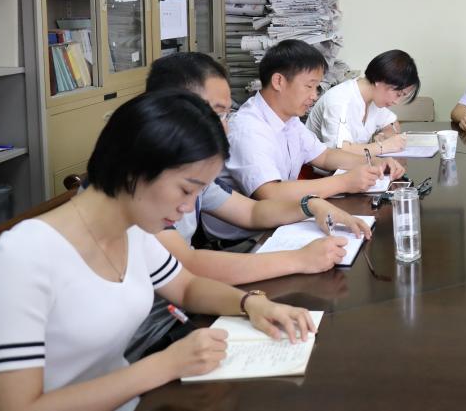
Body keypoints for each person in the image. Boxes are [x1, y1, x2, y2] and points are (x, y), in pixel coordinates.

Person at [0, 91, 315, 411]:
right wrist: (165, 365)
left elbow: (186, 287)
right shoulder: (24, 255)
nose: (188, 207)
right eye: (186, 189)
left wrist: (251, 304)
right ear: (135, 168)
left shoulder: (133, 229)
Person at [126, 52, 373, 361]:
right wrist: (299, 260)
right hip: (153, 334)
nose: (226, 130)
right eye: (217, 114)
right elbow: (188, 265)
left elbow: (251, 211)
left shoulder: (184, 166)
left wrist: (310, 205)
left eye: (226, 114)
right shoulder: (143, 181)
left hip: (180, 308)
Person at [208, 40, 405, 242]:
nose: (314, 96)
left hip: (281, 221)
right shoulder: (248, 128)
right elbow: (270, 193)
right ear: (278, 81)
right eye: (309, 86)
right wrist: (345, 182)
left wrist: (374, 162)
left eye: (317, 87)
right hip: (246, 239)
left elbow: (325, 156)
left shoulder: (289, 119)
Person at [305, 49, 420, 155]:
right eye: (398, 94)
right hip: (318, 169)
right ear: (380, 80)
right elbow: (339, 152)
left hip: (354, 165)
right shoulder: (339, 100)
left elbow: (392, 123)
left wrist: (385, 135)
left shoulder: (373, 99)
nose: (397, 102)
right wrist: (383, 146)